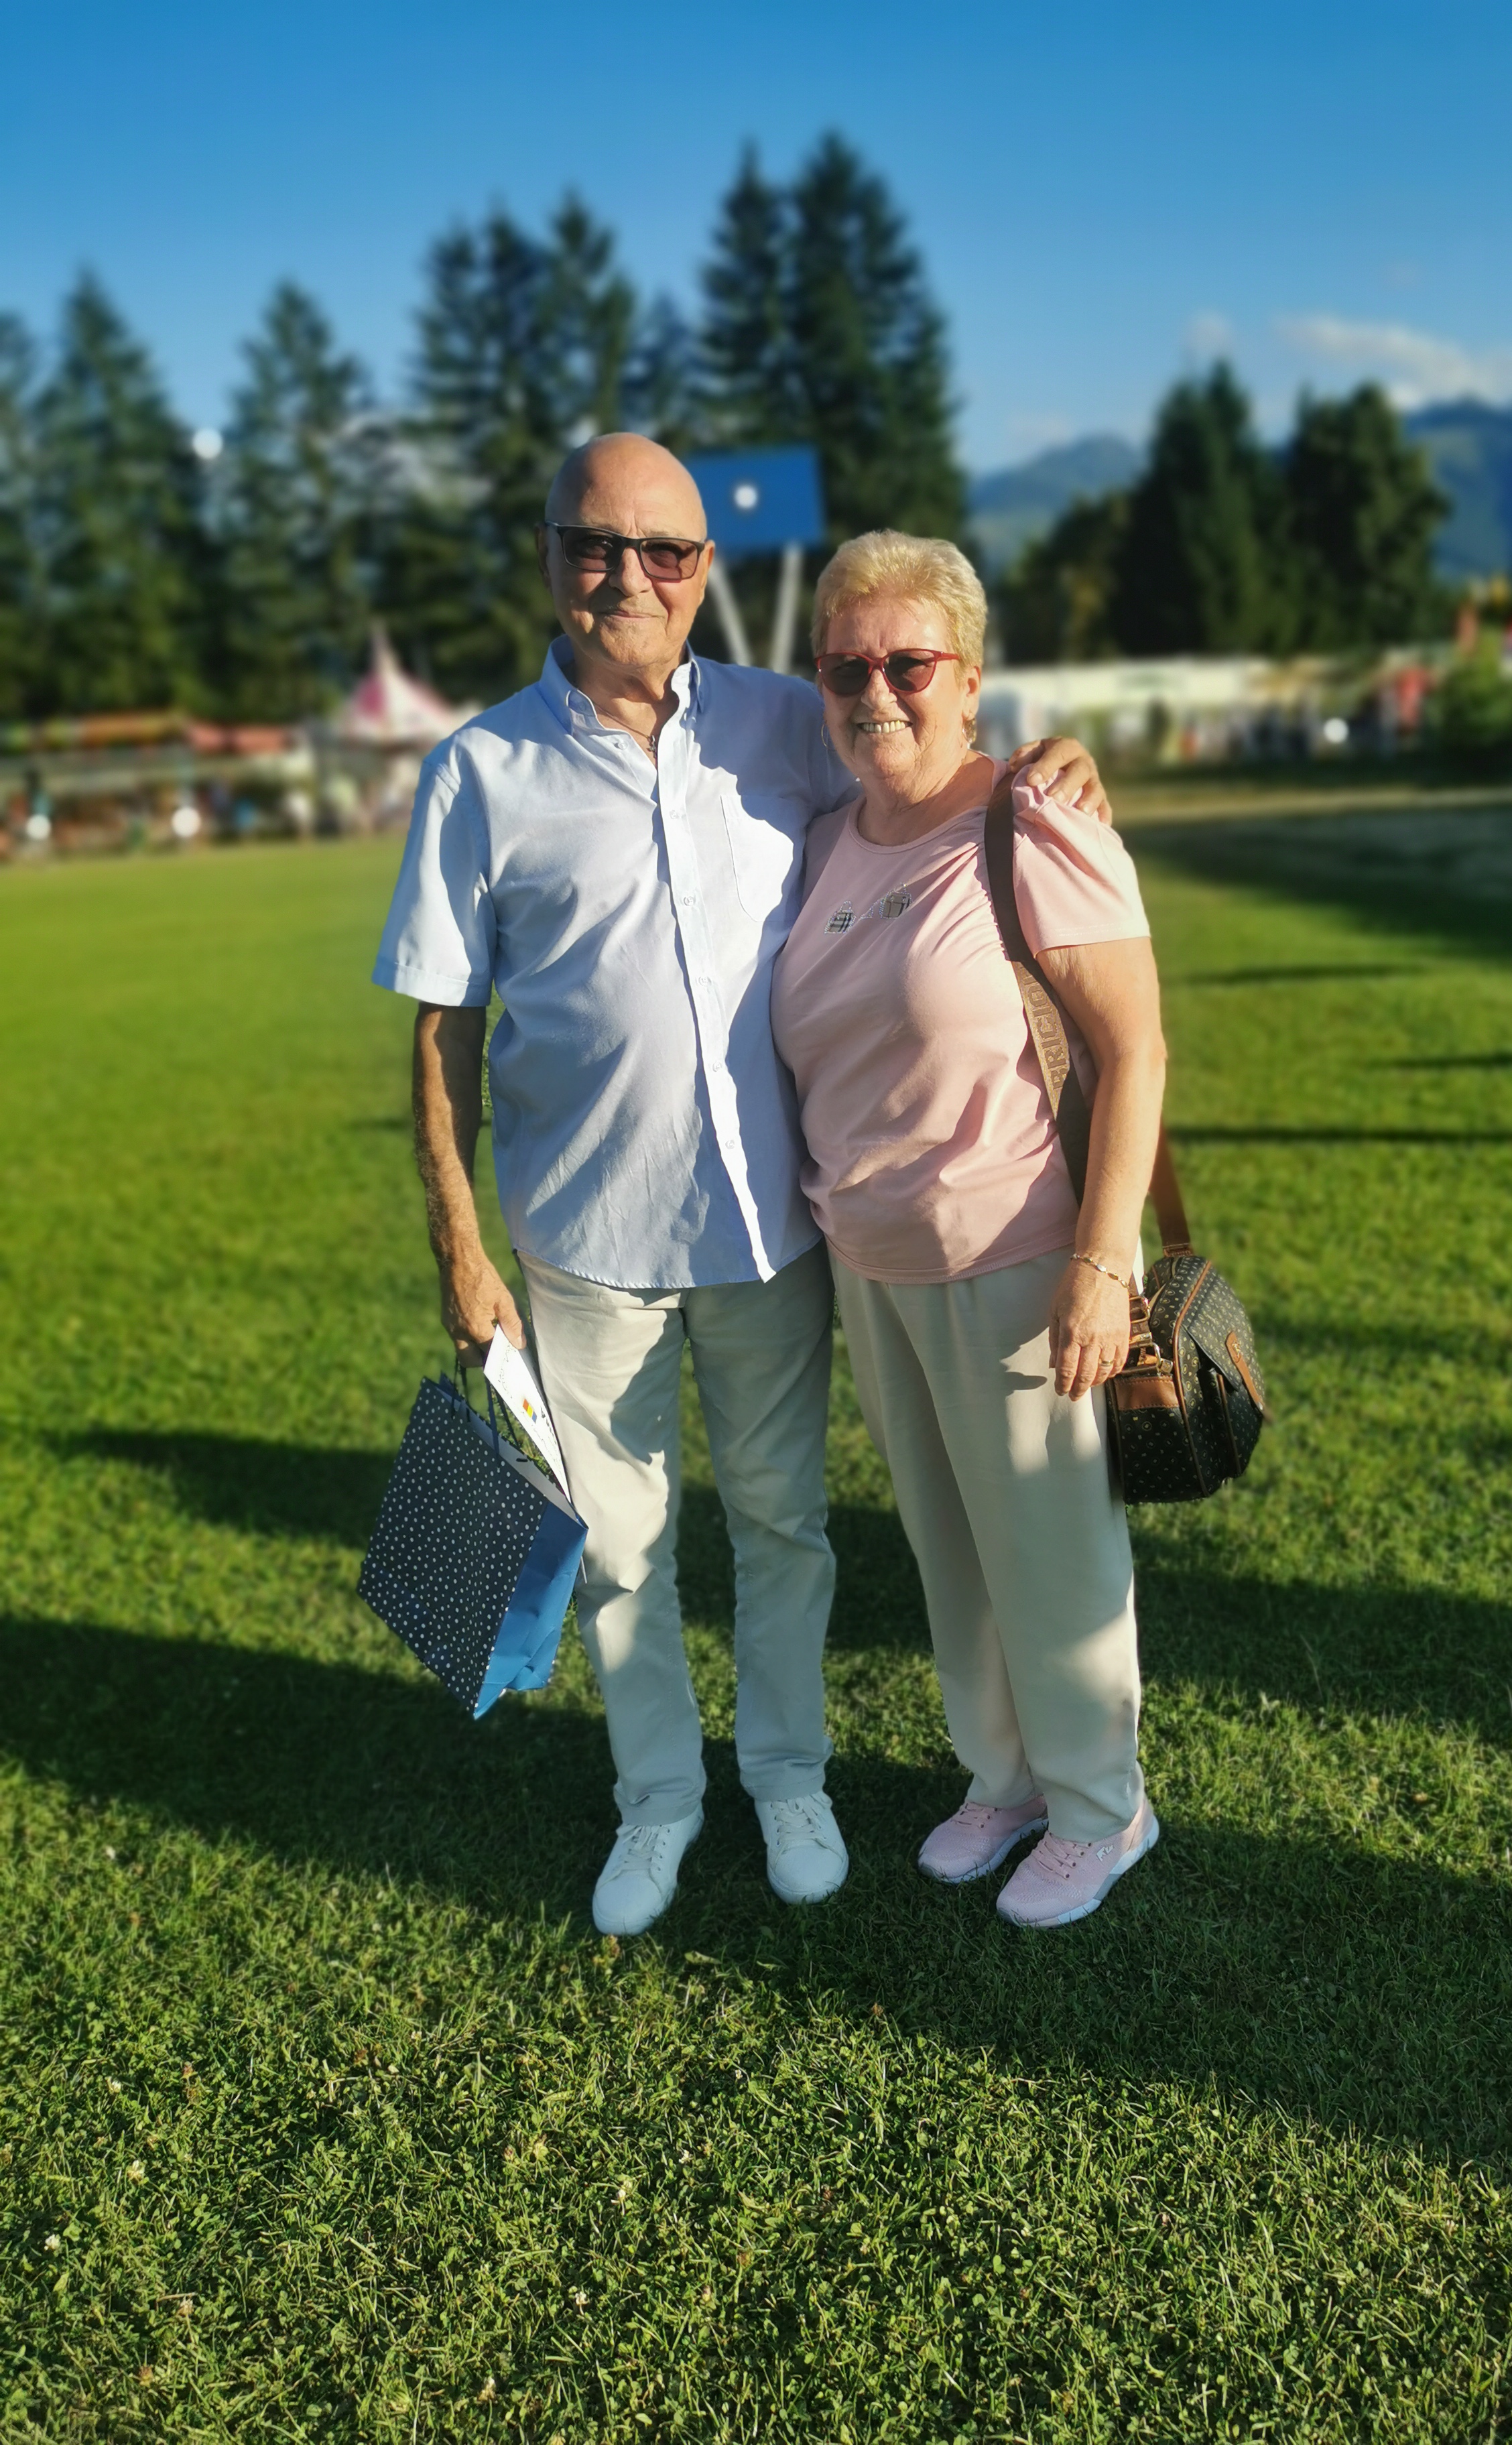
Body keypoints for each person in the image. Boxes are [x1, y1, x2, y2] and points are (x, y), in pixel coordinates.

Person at [373, 436, 1107, 1939]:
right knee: (623, 1555)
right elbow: (442, 1031)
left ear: (704, 571)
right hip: (582, 1242)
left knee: (784, 1529)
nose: (627, 577)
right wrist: (457, 1241)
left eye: (664, 551)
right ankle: (659, 1799)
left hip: (775, 1232)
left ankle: (786, 1777)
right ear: (549, 555)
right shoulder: (480, 771)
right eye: (595, 544)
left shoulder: (788, 718)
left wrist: (1053, 762)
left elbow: (926, 760)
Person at [770, 532, 1167, 1930]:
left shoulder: (1033, 822)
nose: (876, 692)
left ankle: (1102, 1806)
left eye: (908, 664)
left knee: (1052, 1553)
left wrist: (1101, 1264)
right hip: (873, 1265)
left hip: (1022, 1259)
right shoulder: (825, 841)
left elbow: (1136, 1051)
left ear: (970, 676)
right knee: (952, 1553)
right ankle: (1002, 1779)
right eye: (846, 668)